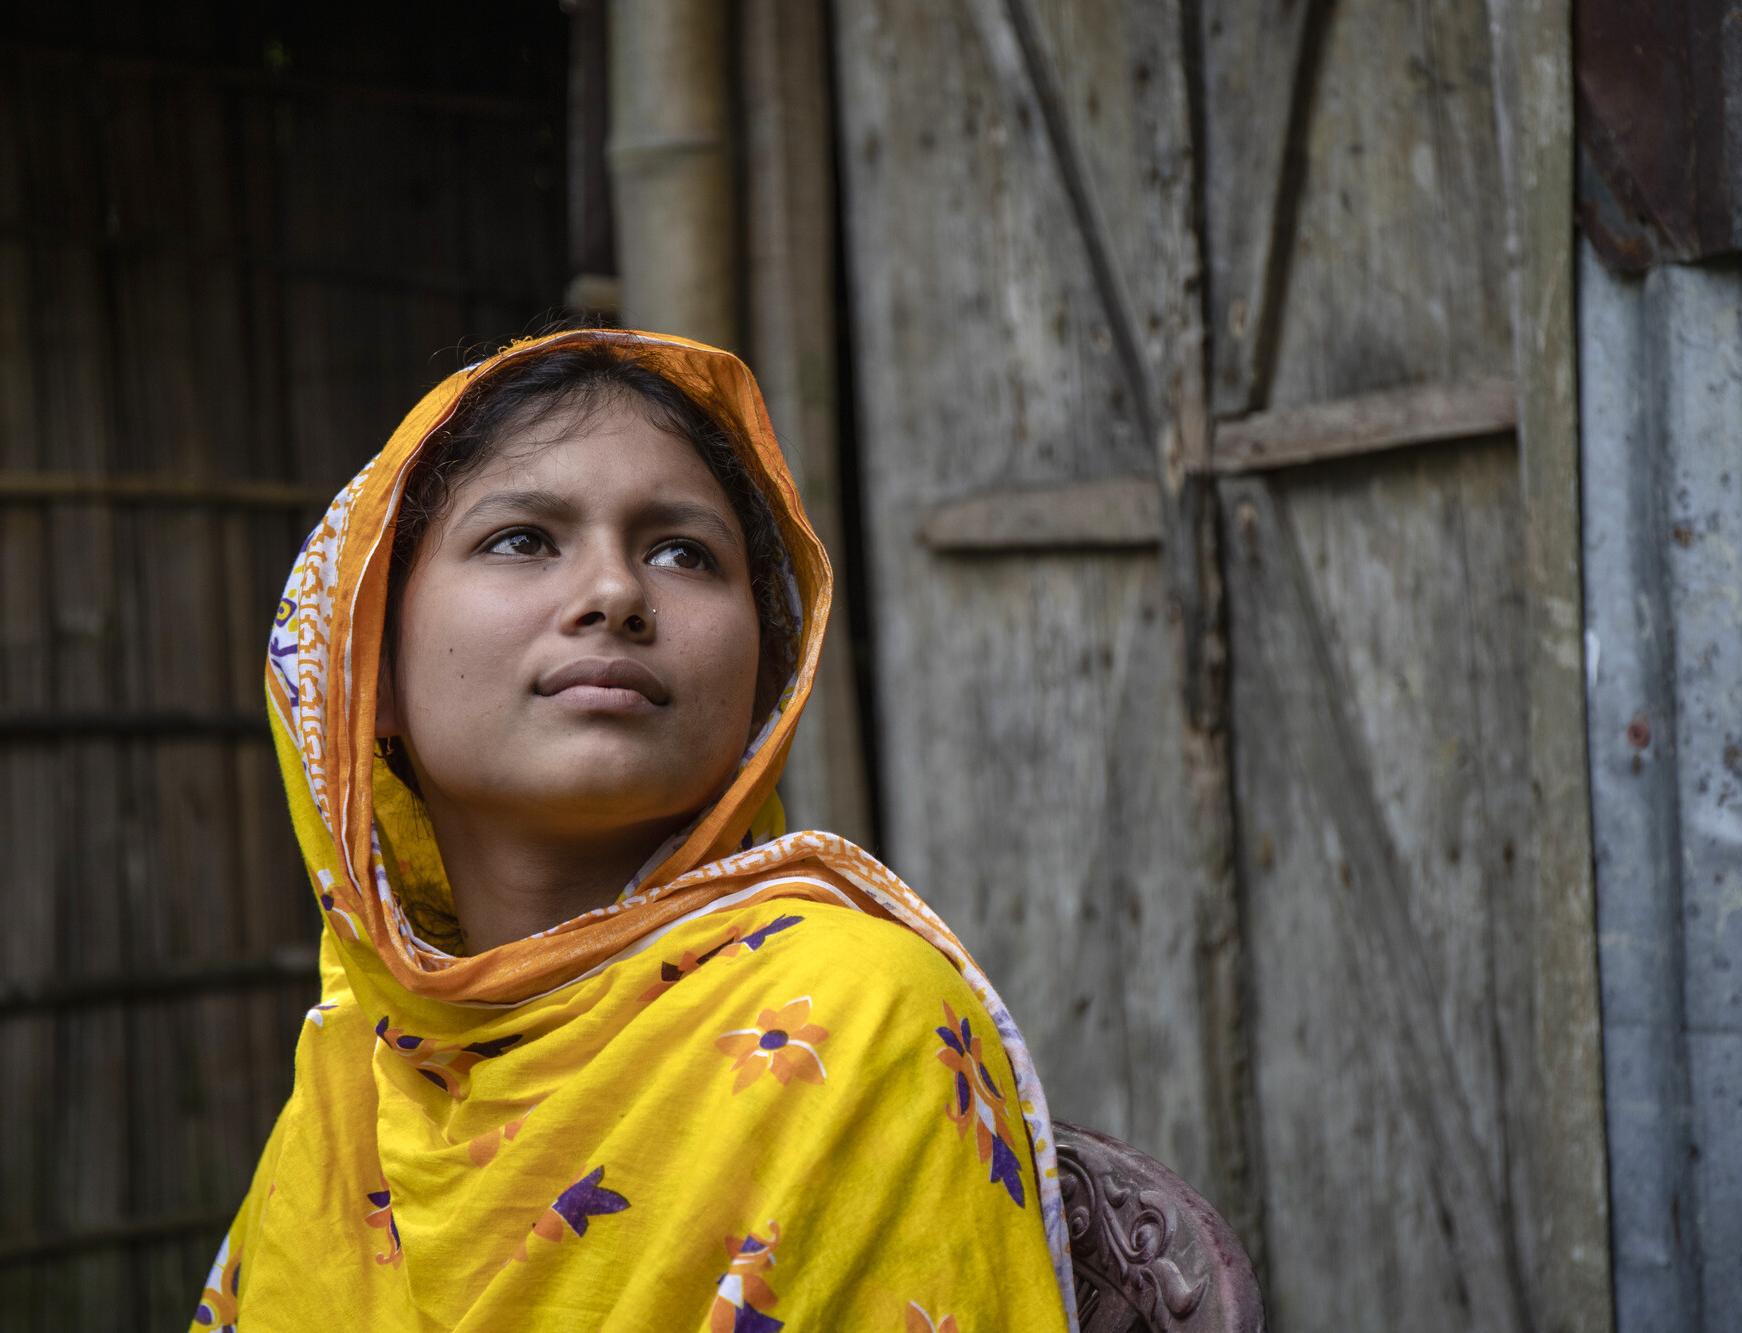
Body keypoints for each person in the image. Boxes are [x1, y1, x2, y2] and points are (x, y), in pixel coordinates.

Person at [190, 328, 1078, 1331]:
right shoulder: (358, 1073)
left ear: (762, 683)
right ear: (369, 670)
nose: (615, 593)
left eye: (682, 552)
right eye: (522, 539)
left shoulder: (851, 1019)